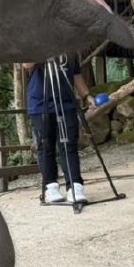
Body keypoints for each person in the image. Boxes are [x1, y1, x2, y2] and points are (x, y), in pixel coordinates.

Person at [23, 57, 95, 205]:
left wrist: (86, 95)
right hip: (40, 103)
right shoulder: (36, 40)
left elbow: (75, 74)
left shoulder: (69, 48)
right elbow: (26, 64)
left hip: (66, 102)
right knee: (45, 146)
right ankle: (50, 187)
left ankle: (75, 186)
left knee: (69, 144)